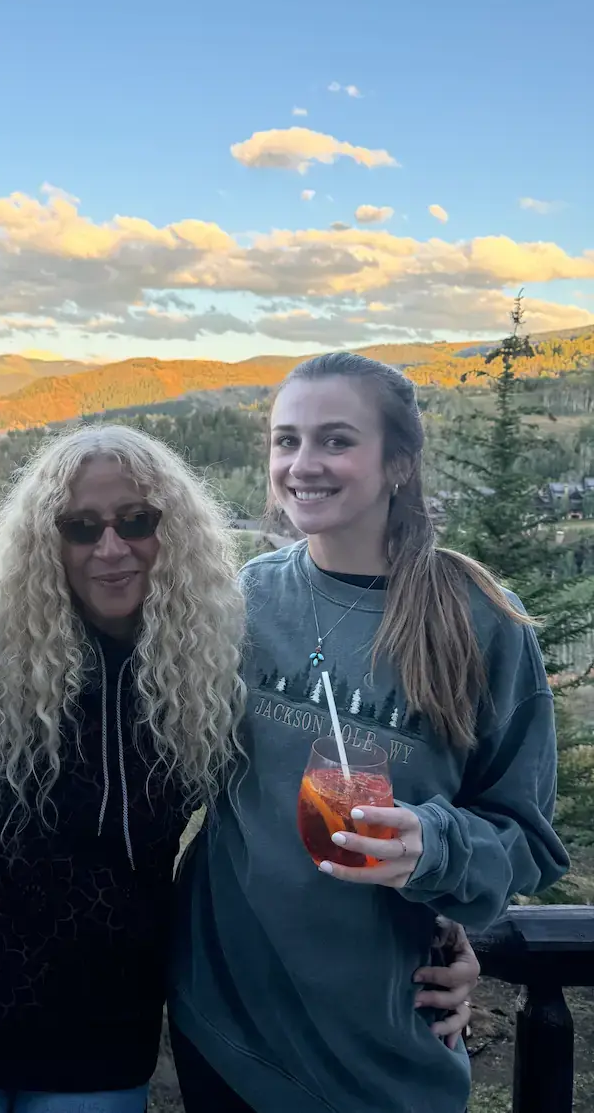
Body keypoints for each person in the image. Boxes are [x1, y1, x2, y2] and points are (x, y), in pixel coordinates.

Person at [0, 422, 479, 1113]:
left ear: (175, 527)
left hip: (104, 1036)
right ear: (46, 538)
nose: (111, 547)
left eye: (137, 520)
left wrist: (437, 930)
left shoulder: (214, 649)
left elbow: (275, 811)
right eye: (80, 526)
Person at [169, 352, 570, 1113]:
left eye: (335, 440)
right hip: (225, 1017)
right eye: (286, 440)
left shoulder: (478, 618)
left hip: (382, 1046)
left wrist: (433, 845)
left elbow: (527, 838)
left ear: (399, 463)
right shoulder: (249, 598)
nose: (303, 464)